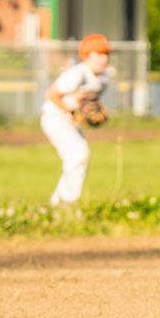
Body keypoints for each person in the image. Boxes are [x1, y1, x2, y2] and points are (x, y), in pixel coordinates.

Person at [42, 33, 110, 206]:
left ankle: (57, 203)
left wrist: (94, 112)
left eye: (106, 54)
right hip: (55, 117)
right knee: (79, 154)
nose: (104, 58)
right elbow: (51, 95)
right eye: (99, 54)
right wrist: (73, 112)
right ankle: (67, 202)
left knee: (78, 159)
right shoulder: (77, 73)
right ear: (86, 56)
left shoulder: (103, 79)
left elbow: (89, 103)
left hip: (71, 121)